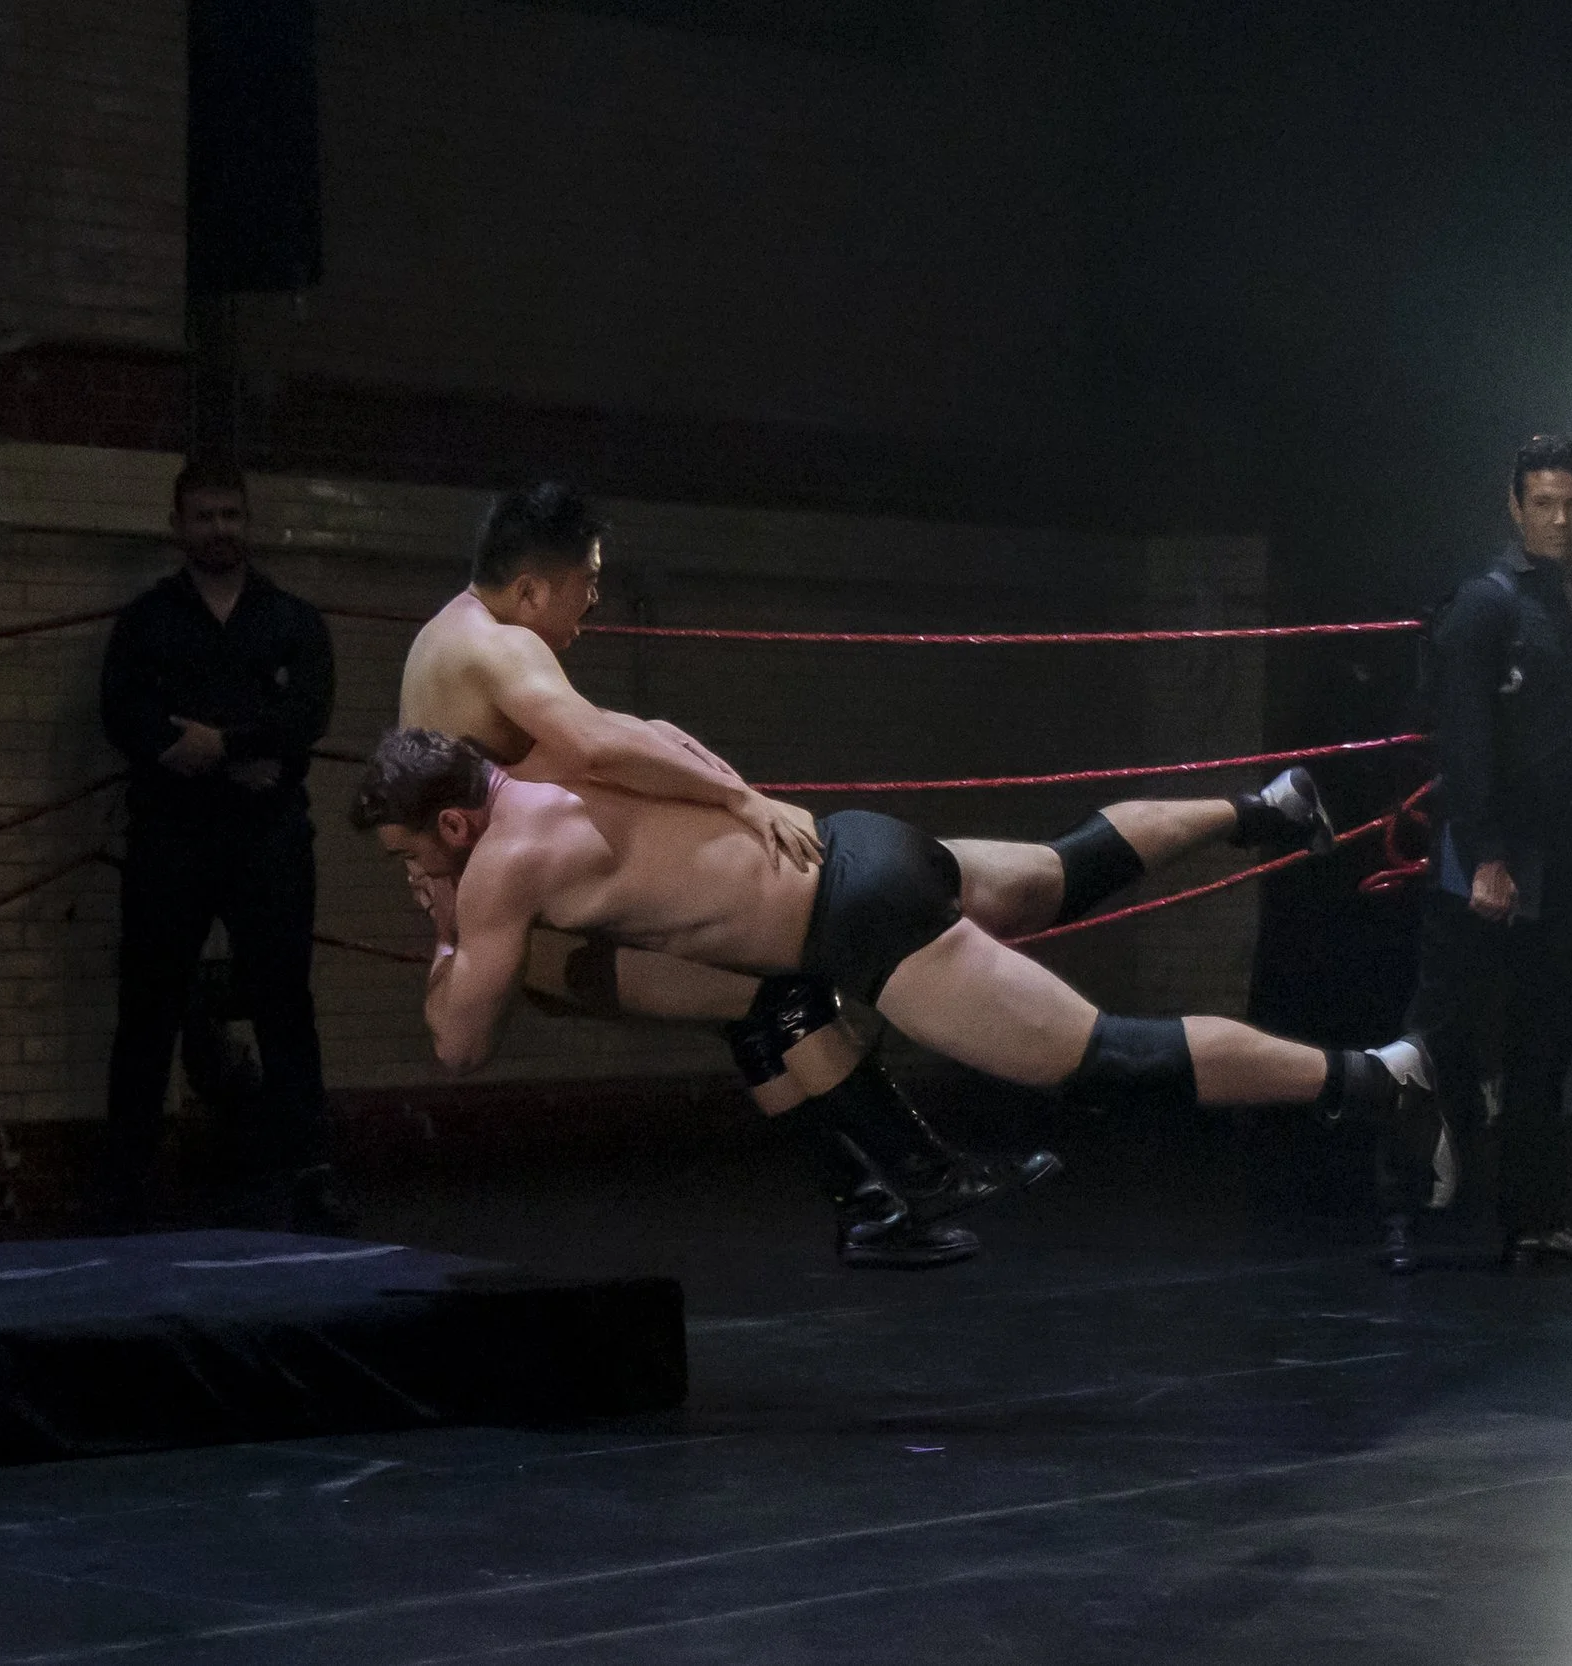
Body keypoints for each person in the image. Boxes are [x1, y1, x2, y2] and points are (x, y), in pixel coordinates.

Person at [399, 482, 1336, 1267]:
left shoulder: (457, 645)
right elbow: (593, 745)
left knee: (1034, 889)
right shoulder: (499, 651)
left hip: (802, 881)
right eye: (587, 585)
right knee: (802, 994)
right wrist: (738, 799)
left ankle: (888, 1197)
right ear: (531, 588)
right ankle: (898, 1190)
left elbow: (597, 746)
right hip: (763, 883)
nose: (595, 605)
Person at [349, 729, 1439, 1162]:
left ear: (454, 823)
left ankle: (1378, 1076)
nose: (416, 871)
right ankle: (1265, 807)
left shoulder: (500, 866)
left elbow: (459, 1047)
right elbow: (652, 738)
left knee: (1104, 1058)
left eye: (413, 854)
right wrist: (742, 795)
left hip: (859, 924)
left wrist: (446, 923)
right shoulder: (552, 758)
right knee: (1063, 871)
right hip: (857, 844)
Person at [1390, 434, 1572, 1272]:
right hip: (1486, 853)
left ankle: (1533, 1219)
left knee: (1545, 1044)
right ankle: (1404, 1212)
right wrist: (1486, 856)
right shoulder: (1484, 606)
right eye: (1544, 504)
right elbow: (1463, 743)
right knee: (1438, 1036)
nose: (1560, 520)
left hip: (1559, 859)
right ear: (1515, 506)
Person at [100, 457, 346, 1231]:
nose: (219, 529)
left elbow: (307, 717)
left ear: (249, 521)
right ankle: (127, 1179)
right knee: (148, 1005)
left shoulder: (291, 621)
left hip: (265, 840)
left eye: (230, 515)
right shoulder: (146, 622)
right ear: (177, 525)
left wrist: (216, 743)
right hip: (171, 838)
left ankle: (310, 1172)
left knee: (285, 1004)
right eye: (204, 517)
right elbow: (122, 715)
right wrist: (241, 755)